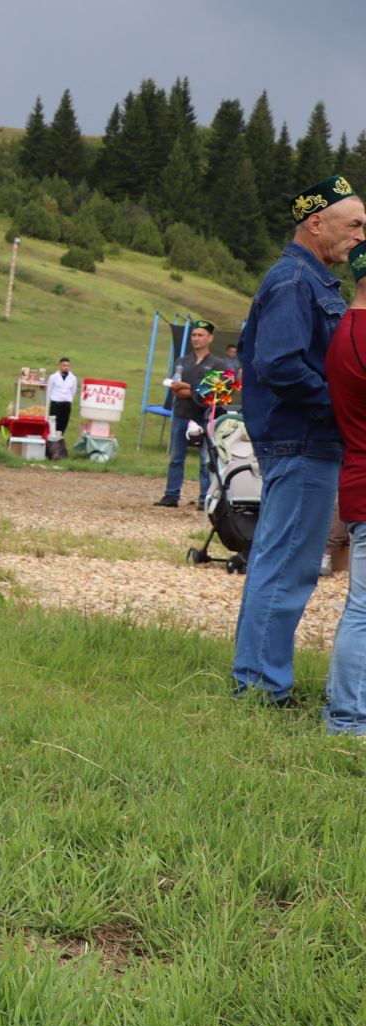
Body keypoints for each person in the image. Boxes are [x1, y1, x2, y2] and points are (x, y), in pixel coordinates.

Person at [231, 176, 366, 704]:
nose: (361, 236)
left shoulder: (309, 281)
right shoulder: (293, 281)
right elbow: (282, 364)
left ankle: (258, 678)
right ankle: (261, 689)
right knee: (287, 565)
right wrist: (344, 409)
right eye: (354, 224)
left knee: (281, 561)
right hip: (302, 441)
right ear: (316, 222)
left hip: (304, 442)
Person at [323, 243, 366, 732]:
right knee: (362, 609)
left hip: (357, 476)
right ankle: (349, 718)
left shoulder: (348, 332)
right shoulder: (359, 334)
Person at [156, 322, 230, 508]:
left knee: (206, 460)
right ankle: (171, 495)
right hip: (182, 413)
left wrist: (191, 389)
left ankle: (205, 498)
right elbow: (175, 389)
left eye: (201, 335)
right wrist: (196, 389)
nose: (196, 338)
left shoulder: (218, 364)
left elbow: (212, 392)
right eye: (194, 335)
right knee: (176, 457)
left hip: (205, 417)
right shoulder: (181, 361)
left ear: (210, 338)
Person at [45, 357, 78, 438]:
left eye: (67, 365)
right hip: (55, 402)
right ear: (59, 366)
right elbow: (49, 390)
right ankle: (51, 438)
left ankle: (60, 438)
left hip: (66, 403)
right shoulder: (53, 377)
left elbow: (73, 391)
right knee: (53, 423)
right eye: (64, 365)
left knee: (63, 422)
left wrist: (69, 400)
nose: (66, 367)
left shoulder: (73, 378)